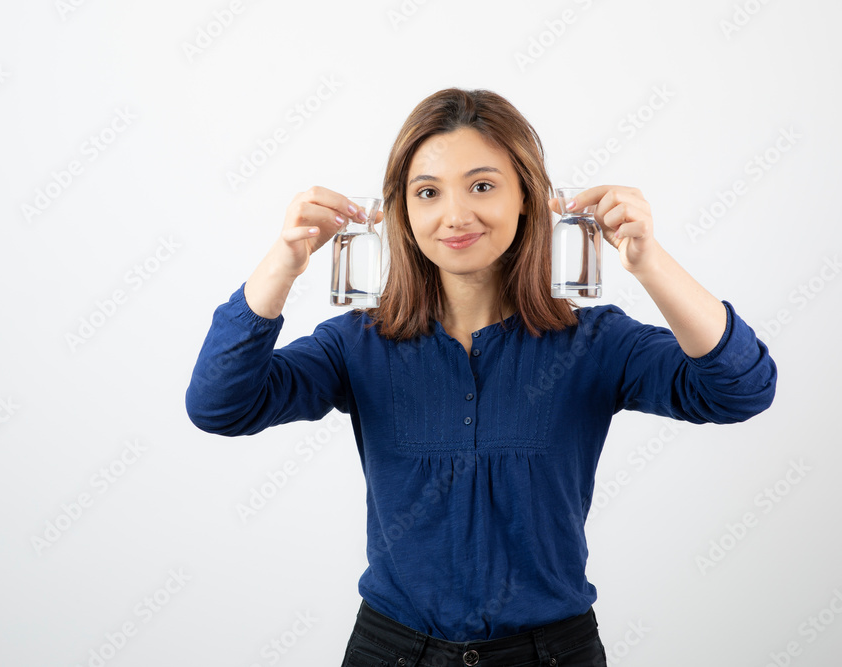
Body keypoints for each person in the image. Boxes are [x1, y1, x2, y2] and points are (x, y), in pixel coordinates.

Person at [185, 88, 777, 666]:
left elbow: (741, 389)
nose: (455, 215)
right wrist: (281, 266)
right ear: (402, 211)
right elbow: (219, 405)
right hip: (392, 650)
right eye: (427, 192)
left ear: (528, 197)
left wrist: (650, 261)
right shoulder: (358, 343)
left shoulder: (595, 342)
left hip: (552, 652)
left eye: (483, 186)